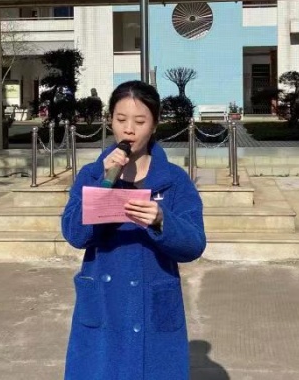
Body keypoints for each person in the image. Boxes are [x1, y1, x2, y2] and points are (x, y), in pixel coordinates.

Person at [61, 80, 207, 380]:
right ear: (110, 121)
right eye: (121, 119)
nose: (129, 130)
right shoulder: (92, 174)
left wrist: (162, 220)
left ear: (154, 125)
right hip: (104, 303)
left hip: (153, 304)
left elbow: (194, 244)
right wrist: (103, 182)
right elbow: (75, 234)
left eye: (140, 122)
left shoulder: (174, 180)